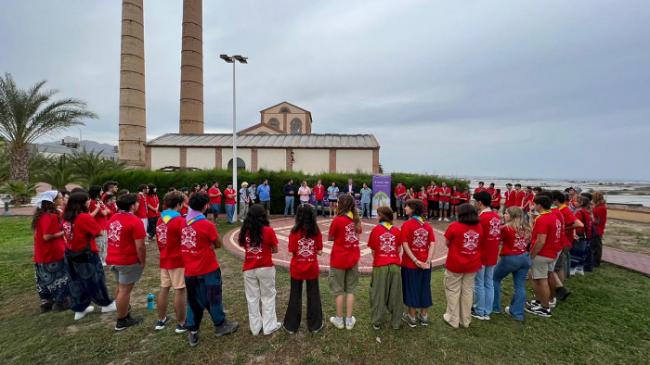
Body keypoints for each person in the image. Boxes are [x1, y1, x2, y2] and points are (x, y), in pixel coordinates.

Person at [181, 193, 239, 347]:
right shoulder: (206, 224)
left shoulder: (181, 222)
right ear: (206, 206)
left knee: (193, 300)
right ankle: (220, 325)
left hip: (189, 271)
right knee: (214, 298)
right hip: (208, 269)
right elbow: (218, 243)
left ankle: (193, 331)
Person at [63, 192, 116, 321]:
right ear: (81, 203)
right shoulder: (83, 217)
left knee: (76, 282)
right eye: (87, 200)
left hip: (71, 254)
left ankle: (80, 308)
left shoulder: (66, 217)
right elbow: (97, 232)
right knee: (95, 280)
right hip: (86, 254)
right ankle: (106, 304)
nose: (89, 203)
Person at [238, 204, 281, 335]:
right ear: (264, 216)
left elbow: (243, 245)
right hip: (265, 266)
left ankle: (255, 327)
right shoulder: (268, 230)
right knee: (268, 296)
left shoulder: (245, 230)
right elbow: (275, 249)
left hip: (249, 268)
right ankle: (269, 326)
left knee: (252, 298)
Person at [106, 193, 147, 331]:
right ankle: (122, 320)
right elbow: (140, 246)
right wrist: (142, 261)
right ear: (132, 205)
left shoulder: (113, 218)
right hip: (127, 260)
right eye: (137, 202)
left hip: (114, 258)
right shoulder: (135, 221)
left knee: (120, 287)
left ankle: (124, 313)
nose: (138, 204)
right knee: (125, 290)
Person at [283, 204, 324, 333]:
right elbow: (320, 251)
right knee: (313, 295)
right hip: (312, 268)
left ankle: (291, 326)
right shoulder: (316, 231)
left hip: (297, 268)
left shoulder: (294, 232)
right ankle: (315, 325)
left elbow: (290, 252)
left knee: (295, 296)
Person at [442, 203, 483, 328]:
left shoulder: (454, 226)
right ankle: (465, 319)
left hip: (455, 263)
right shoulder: (479, 227)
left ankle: (453, 319)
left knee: (453, 290)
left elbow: (447, 242)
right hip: (472, 263)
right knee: (467, 291)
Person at [154, 191, 187, 333]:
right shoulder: (179, 220)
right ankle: (181, 323)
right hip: (177, 259)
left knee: (164, 288)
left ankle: (161, 320)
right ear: (178, 204)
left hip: (164, 258)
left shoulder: (160, 218)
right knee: (179, 290)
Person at [328, 194, 362, 330]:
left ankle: (339, 319)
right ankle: (349, 320)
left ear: (341, 204)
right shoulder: (356, 220)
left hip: (338, 259)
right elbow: (358, 233)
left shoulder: (337, 220)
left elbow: (330, 237)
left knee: (338, 290)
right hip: (353, 259)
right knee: (350, 289)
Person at [33, 191, 70, 312]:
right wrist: (63, 232)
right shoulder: (51, 217)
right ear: (53, 202)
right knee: (59, 277)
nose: (61, 199)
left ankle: (47, 303)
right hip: (52, 252)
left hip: (41, 253)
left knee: (44, 279)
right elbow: (47, 236)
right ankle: (60, 303)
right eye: (59, 198)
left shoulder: (40, 216)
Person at [400, 199, 435, 328]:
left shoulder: (407, 225)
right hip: (425, 264)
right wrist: (427, 261)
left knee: (411, 288)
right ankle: (424, 316)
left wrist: (415, 261)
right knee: (424, 287)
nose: (405, 209)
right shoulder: (427, 225)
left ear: (413, 209)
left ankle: (412, 317)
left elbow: (404, 244)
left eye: (407, 206)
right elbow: (432, 244)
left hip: (410, 264)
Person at [525, 194, 561, 318]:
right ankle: (541, 300)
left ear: (539, 205)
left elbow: (541, 240)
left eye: (535, 204)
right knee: (538, 277)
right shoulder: (553, 217)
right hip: (552, 252)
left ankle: (545, 307)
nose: (534, 206)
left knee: (540, 279)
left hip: (542, 253)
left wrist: (532, 254)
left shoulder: (543, 219)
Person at [492, 207, 531, 321]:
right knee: (520, 286)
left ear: (512, 216)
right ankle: (517, 313)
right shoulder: (526, 227)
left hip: (510, 258)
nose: (504, 215)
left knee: (495, 279)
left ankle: (495, 307)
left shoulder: (506, 228)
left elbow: (497, 240)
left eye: (506, 213)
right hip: (524, 257)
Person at [367, 206, 402, 330]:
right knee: (396, 296)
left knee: (379, 294)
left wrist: (380, 258)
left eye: (377, 215)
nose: (376, 217)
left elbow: (373, 250)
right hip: (395, 266)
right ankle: (396, 322)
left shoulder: (376, 230)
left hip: (380, 265)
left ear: (381, 216)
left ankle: (377, 321)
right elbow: (398, 249)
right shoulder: (397, 230)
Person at [472, 191, 501, 321]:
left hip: (482, 254)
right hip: (493, 253)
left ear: (479, 203)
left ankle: (479, 310)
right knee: (489, 282)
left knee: (479, 282)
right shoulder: (496, 216)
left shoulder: (481, 218)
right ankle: (487, 310)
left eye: (475, 202)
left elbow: (477, 238)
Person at [88, 185, 110, 266]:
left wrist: (104, 208)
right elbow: (104, 212)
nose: (102, 192)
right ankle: (100, 260)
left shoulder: (99, 201)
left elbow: (108, 211)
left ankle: (103, 259)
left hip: (103, 225)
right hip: (98, 226)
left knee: (104, 243)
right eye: (101, 191)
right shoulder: (93, 202)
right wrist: (104, 209)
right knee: (100, 243)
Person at [571, 196, 592, 275]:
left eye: (576, 201)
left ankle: (572, 269)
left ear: (581, 203)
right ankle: (580, 268)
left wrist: (574, 234)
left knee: (576, 252)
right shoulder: (587, 211)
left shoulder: (579, 212)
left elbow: (577, 224)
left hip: (580, 235)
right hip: (587, 235)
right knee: (583, 252)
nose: (575, 202)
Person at [591, 191, 607, 268]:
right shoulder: (600, 206)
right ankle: (595, 261)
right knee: (596, 245)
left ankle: (596, 262)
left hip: (597, 229)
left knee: (597, 246)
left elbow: (598, 221)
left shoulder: (600, 208)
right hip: (597, 228)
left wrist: (591, 221)